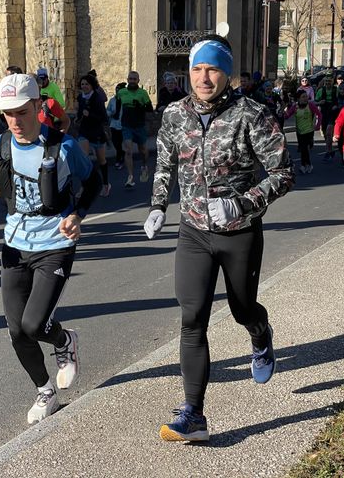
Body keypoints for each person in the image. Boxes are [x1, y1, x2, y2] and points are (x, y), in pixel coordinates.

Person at [144, 35, 295, 442]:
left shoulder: (252, 115)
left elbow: (284, 173)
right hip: (193, 232)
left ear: (226, 73)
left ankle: (260, 333)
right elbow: (164, 163)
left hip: (239, 233)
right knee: (192, 318)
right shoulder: (174, 115)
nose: (204, 77)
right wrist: (158, 205)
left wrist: (243, 204)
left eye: (212, 69)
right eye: (197, 69)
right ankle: (193, 413)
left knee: (242, 309)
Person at [0, 74, 101, 424]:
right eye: (8, 114)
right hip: (15, 247)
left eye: (22, 112)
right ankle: (45, 391)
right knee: (16, 330)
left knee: (35, 323)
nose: (15, 121)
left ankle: (64, 340)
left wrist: (78, 215)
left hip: (55, 244)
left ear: (39, 107)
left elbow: (95, 179)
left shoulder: (62, 147)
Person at [113, 70, 154, 187]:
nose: (132, 81)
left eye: (134, 79)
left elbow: (150, 109)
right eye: (130, 79)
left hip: (140, 126)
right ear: (127, 80)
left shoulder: (143, 93)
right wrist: (116, 114)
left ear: (138, 81)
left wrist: (140, 106)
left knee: (143, 150)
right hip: (127, 126)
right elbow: (118, 102)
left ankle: (144, 165)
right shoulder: (121, 92)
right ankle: (130, 177)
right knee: (128, 151)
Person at [76, 74, 111, 197]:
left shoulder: (97, 98)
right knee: (83, 158)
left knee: (101, 160)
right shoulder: (80, 97)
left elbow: (104, 118)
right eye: (82, 84)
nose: (84, 86)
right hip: (84, 131)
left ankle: (106, 184)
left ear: (92, 85)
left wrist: (89, 114)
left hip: (97, 132)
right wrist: (78, 117)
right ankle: (84, 187)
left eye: (86, 84)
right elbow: (80, 112)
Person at [284, 89, 322, 173]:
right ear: (298, 99)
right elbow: (287, 116)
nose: (305, 98)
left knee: (304, 148)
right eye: (303, 97)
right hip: (299, 131)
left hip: (309, 130)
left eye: (306, 97)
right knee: (303, 149)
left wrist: (318, 125)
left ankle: (303, 165)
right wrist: (283, 112)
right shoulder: (295, 106)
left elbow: (319, 114)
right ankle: (308, 165)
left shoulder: (310, 105)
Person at [315, 76, 338, 160]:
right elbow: (315, 101)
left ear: (332, 82)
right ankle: (330, 149)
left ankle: (328, 151)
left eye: (330, 81)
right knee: (325, 134)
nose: (328, 83)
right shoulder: (321, 90)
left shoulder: (336, 90)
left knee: (329, 132)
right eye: (326, 81)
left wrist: (336, 105)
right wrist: (319, 103)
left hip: (332, 113)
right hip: (324, 113)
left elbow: (340, 99)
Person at [106, 82, 126, 170]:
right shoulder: (112, 100)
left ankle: (119, 160)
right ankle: (122, 154)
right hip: (113, 124)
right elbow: (107, 111)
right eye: (117, 90)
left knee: (120, 143)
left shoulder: (126, 101)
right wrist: (111, 113)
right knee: (115, 143)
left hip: (123, 125)